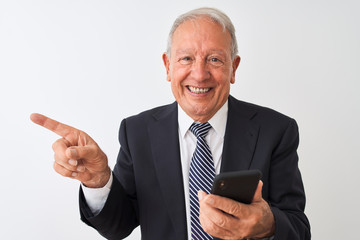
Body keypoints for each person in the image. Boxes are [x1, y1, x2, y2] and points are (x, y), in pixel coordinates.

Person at [31, 7, 310, 240]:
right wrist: (98, 181)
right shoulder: (137, 132)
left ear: (233, 68)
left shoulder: (276, 130)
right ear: (167, 66)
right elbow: (119, 226)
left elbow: (298, 226)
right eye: (186, 58)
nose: (199, 75)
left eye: (214, 59)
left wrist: (268, 224)